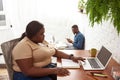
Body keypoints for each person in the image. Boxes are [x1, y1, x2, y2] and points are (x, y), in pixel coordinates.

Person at [12, 21, 85, 80]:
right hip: (26, 76)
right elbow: (28, 71)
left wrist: (71, 57)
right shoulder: (23, 46)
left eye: (44, 33)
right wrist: (54, 70)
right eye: (41, 34)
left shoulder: (41, 41)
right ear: (33, 35)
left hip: (46, 68)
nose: (44, 35)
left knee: (71, 73)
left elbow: (55, 52)